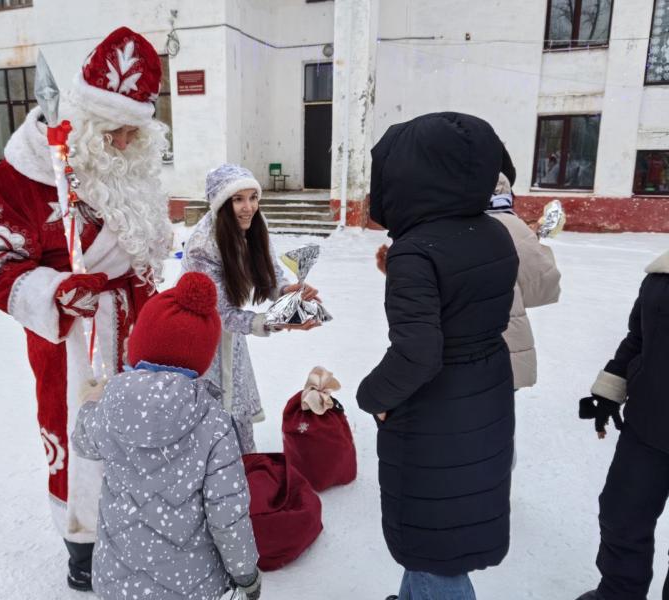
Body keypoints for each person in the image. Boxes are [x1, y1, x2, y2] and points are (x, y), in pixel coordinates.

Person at [0, 27, 172, 591]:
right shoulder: (23, 178)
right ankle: (83, 544)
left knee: (140, 436)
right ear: (83, 122)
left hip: (139, 330)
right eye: (115, 129)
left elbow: (147, 251)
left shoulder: (131, 170)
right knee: (78, 436)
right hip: (73, 342)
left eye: (136, 128)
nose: (127, 141)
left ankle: (137, 528)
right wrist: (54, 291)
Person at [357, 112, 519, 600]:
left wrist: (372, 395)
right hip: (484, 396)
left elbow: (419, 353)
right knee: (444, 531)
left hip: (435, 412)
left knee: (432, 545)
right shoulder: (492, 232)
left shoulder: (416, 250)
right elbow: (462, 306)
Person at [72, 272, 261, 600]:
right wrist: (245, 573)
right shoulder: (213, 423)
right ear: (202, 358)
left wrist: (91, 403)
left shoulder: (111, 404)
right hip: (191, 584)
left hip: (119, 581)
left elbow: (83, 442)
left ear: (141, 342)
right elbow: (227, 513)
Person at [181, 163, 319, 453]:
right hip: (199, 336)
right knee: (213, 404)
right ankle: (214, 472)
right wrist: (276, 321)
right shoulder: (202, 247)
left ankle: (242, 466)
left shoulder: (255, 224)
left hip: (231, 336)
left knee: (236, 399)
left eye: (253, 197)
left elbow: (267, 275)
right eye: (238, 199)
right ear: (221, 203)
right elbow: (223, 314)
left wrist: (287, 292)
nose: (249, 207)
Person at [575, 249, 669, 600]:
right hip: (648, 426)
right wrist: (610, 391)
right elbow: (638, 339)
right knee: (622, 517)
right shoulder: (661, 276)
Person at [486, 172, 561, 391]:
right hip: (505, 347)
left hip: (447, 348)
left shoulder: (440, 224)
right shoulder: (513, 227)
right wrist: (538, 247)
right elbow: (543, 289)